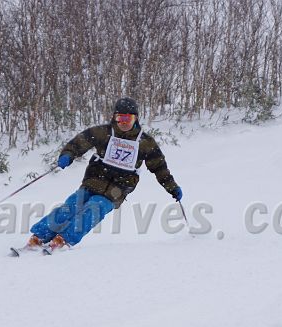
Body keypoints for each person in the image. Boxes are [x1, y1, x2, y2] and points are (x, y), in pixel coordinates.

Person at [23, 97, 182, 253]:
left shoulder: (145, 142)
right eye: (120, 118)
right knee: (70, 206)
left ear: (136, 119)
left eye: (128, 118)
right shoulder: (104, 132)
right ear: (115, 117)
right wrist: (68, 154)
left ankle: (63, 240)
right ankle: (39, 236)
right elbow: (80, 142)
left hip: (117, 190)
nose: (124, 122)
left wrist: (172, 188)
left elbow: (159, 168)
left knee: (94, 208)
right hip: (93, 182)